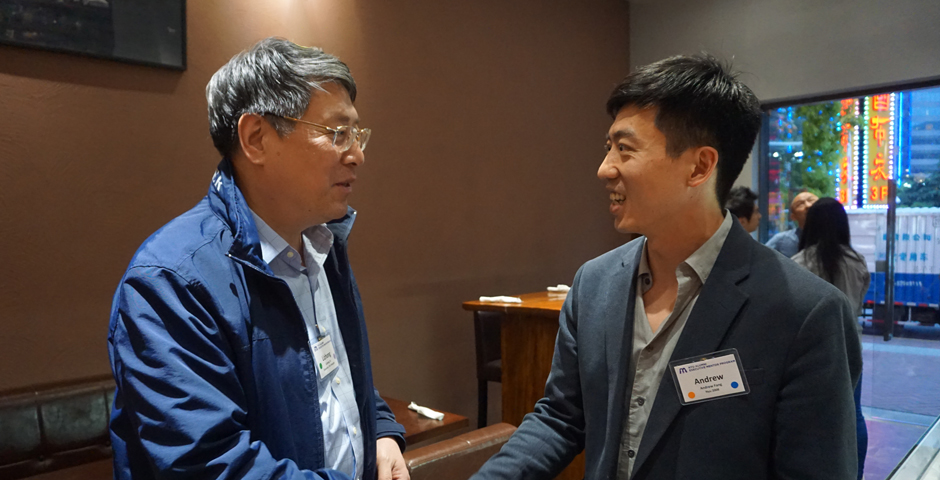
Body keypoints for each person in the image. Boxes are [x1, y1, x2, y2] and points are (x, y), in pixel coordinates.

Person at [471, 54, 862, 480]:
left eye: (625, 149)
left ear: (699, 166)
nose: (605, 169)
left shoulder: (805, 313)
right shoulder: (595, 284)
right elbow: (561, 416)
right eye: (608, 148)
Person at [107, 38, 408, 480]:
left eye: (357, 135)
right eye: (337, 133)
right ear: (256, 139)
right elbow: (209, 465)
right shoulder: (170, 281)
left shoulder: (322, 243)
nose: (357, 155)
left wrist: (379, 430)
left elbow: (333, 374)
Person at [791, 197, 870, 480]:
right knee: (854, 414)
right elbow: (859, 302)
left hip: (811, 351)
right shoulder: (857, 261)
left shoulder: (798, 263)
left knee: (813, 418)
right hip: (851, 347)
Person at [766, 191, 818, 257]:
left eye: (811, 200)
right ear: (793, 217)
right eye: (800, 204)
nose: (808, 206)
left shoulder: (830, 238)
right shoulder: (781, 240)